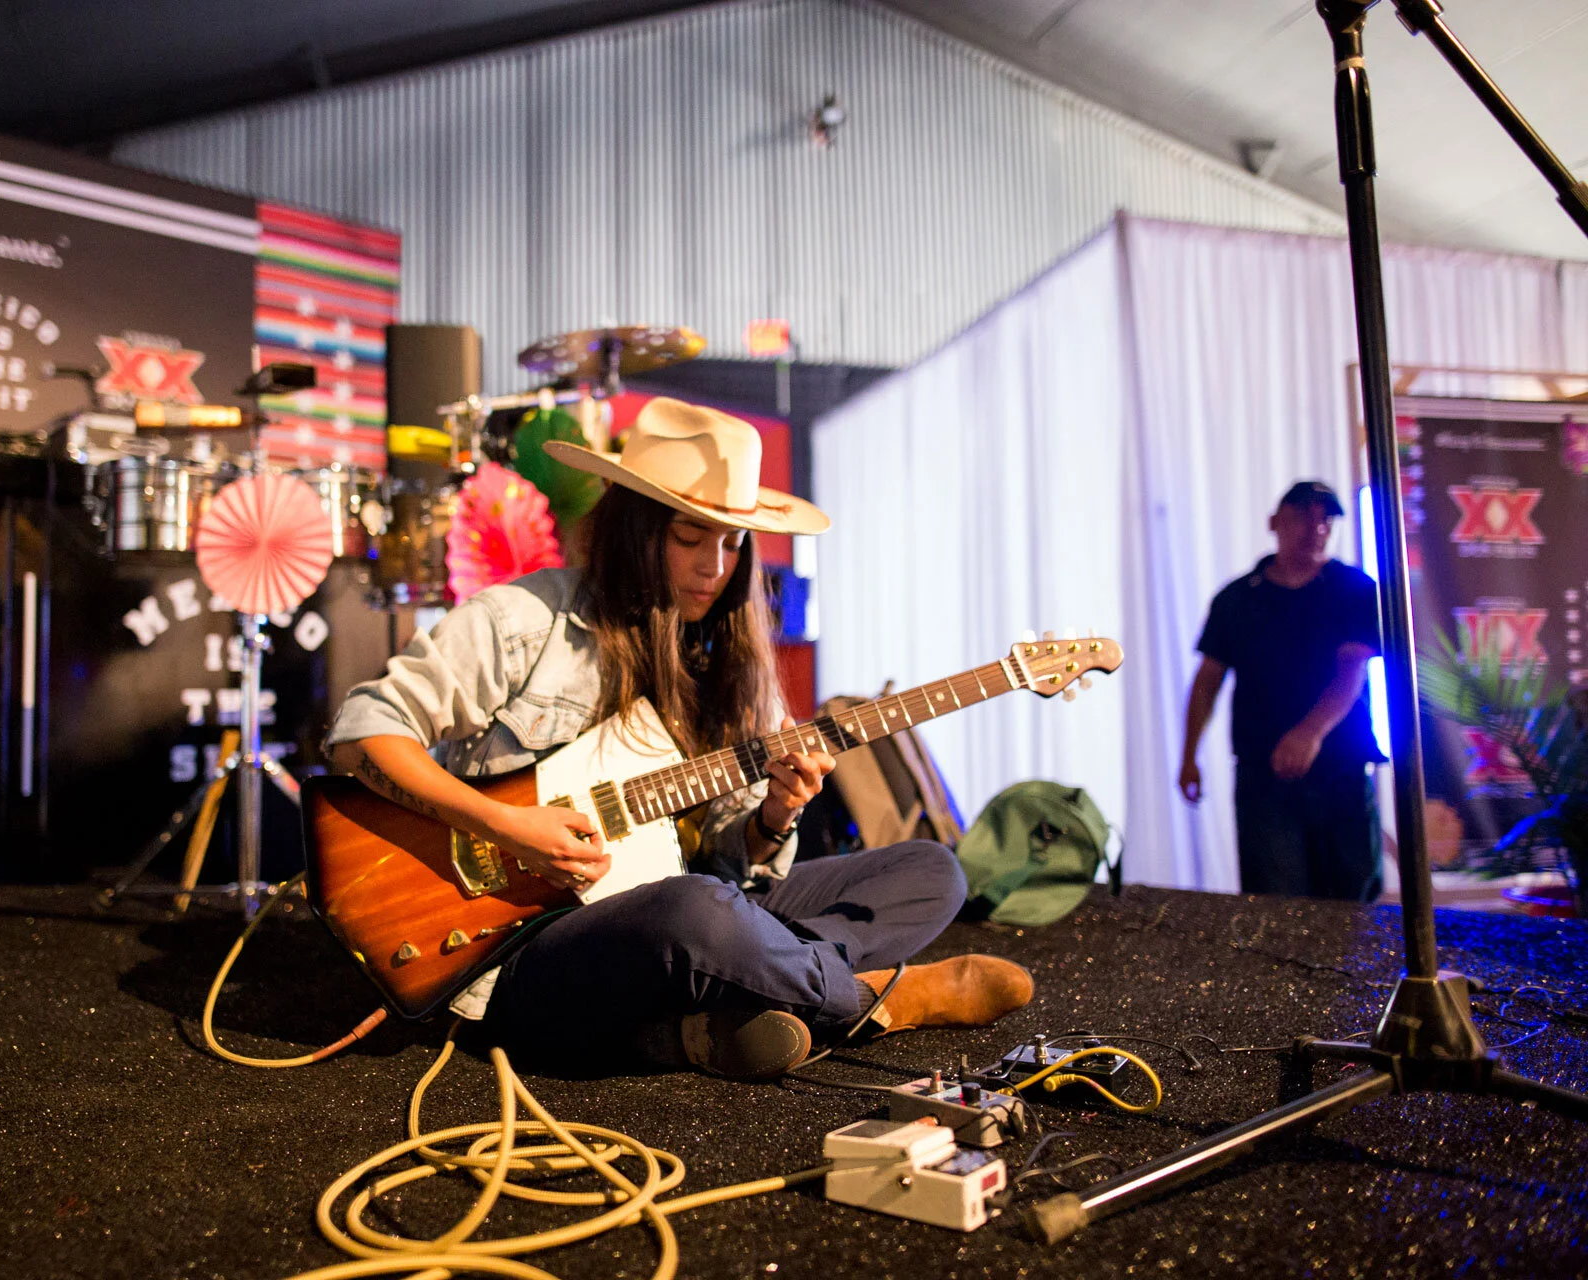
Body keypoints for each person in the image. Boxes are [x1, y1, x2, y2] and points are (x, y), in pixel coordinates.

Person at [326, 398, 1033, 1081]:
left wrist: (774, 816)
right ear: (634, 527)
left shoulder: (726, 662)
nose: (714, 566)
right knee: (692, 911)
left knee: (930, 872)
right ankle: (866, 1001)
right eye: (689, 537)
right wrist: (502, 823)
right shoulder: (520, 619)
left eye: (731, 542)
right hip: (528, 946)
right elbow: (361, 734)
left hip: (689, 913)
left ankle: (732, 1006)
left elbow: (733, 860)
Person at [1179, 480, 1383, 900]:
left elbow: (1352, 671)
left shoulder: (1355, 590)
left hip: (1341, 766)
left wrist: (1309, 732)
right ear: (1274, 522)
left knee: (1352, 901)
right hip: (1263, 775)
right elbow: (1207, 680)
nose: (1316, 528)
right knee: (1274, 902)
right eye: (1303, 516)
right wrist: (1189, 756)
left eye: (1326, 518)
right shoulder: (1237, 598)